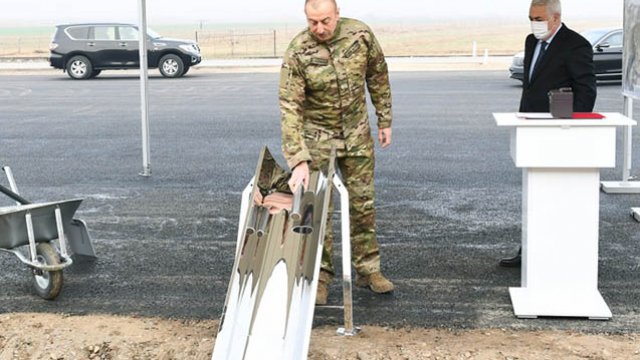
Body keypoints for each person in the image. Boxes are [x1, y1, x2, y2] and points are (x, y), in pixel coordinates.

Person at [279, 0, 394, 304]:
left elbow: (378, 76)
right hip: (318, 138)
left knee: (363, 203)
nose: (319, 28)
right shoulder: (298, 51)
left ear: (337, 14)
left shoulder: (360, 35)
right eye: (312, 22)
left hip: (357, 134)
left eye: (325, 21)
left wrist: (385, 120)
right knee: (318, 209)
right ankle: (320, 276)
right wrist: (298, 159)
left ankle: (368, 269)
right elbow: (290, 107)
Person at [500, 0, 597, 268]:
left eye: (539, 18)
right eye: (531, 17)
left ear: (556, 18)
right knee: (534, 193)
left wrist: (571, 127)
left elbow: (586, 91)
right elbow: (531, 86)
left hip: (559, 133)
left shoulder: (575, 44)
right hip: (532, 129)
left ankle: (556, 253)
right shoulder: (532, 41)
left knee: (557, 195)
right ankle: (529, 250)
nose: (534, 23)